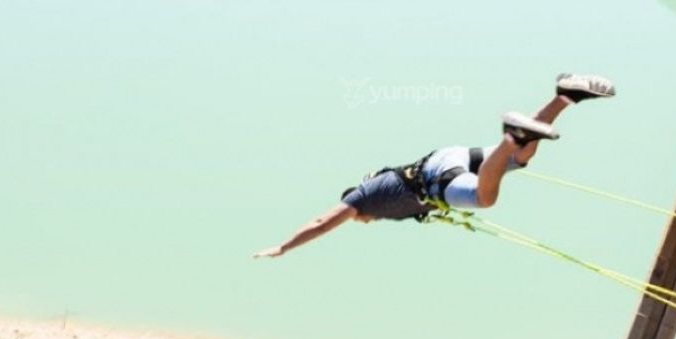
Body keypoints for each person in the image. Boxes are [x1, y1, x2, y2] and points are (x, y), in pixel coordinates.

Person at [253, 73, 615, 258]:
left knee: (484, 197)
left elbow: (322, 222)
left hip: (436, 176)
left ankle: (512, 135)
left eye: (357, 217)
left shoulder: (364, 198)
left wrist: (284, 247)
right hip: (447, 158)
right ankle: (566, 94)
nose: (360, 221)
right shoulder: (386, 199)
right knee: (523, 157)